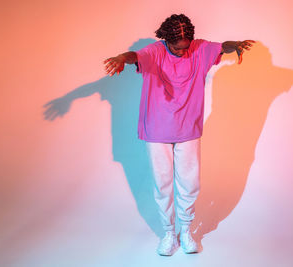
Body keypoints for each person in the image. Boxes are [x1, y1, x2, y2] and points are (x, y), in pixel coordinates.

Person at [104, 14, 254, 256]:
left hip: (188, 128)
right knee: (163, 184)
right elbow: (136, 57)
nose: (183, 51)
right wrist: (122, 57)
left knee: (190, 183)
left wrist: (233, 45)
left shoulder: (200, 48)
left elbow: (221, 46)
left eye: (186, 46)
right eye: (177, 47)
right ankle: (168, 234)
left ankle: (186, 231)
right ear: (166, 40)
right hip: (157, 128)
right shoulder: (154, 51)